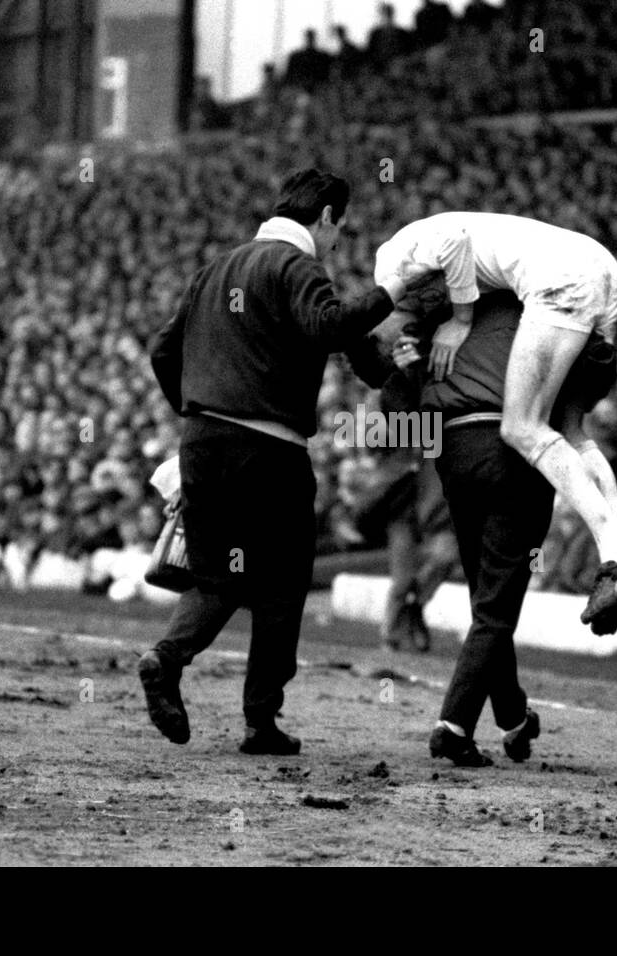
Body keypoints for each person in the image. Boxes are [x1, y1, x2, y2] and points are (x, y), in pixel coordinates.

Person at [139, 169, 427, 756]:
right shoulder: (296, 267)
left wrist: (198, 416)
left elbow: (162, 351)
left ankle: (166, 658)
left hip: (204, 443)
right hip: (268, 452)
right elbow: (327, 325)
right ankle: (260, 722)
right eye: (338, 229)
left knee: (218, 574)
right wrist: (392, 295)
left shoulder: (216, 269)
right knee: (281, 586)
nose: (336, 240)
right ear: (323, 217)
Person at [359, 286, 617, 766]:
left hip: (454, 457)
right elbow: (598, 370)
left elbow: (399, 422)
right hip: (517, 454)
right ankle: (452, 726)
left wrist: (405, 368)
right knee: (497, 605)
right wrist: (601, 334)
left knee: (488, 601)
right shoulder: (547, 309)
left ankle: (514, 718)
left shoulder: (443, 321)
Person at [374, 212, 617, 636]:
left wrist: (461, 320)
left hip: (562, 278)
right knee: (571, 433)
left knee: (522, 427)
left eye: (388, 343)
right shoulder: (420, 302)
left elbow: (455, 239)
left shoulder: (389, 266)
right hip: (603, 272)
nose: (402, 340)